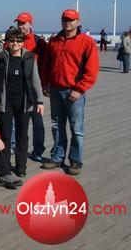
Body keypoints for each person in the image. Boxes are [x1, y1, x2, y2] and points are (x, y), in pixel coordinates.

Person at [41, 9, 99, 175]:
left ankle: (75, 161)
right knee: (57, 126)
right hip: (55, 90)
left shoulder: (86, 42)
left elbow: (91, 70)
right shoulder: (54, 41)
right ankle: (57, 157)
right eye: (65, 19)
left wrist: (79, 89)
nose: (67, 23)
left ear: (78, 22)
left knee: (76, 128)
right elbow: (46, 65)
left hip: (74, 91)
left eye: (71, 20)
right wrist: (46, 84)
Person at [0, 28, 44, 177]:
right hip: (5, 101)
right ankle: (5, 166)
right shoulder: (0, 57)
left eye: (19, 40)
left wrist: (40, 101)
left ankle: (21, 167)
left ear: (23, 42)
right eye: (12, 40)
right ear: (7, 41)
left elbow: (35, 79)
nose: (15, 43)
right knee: (6, 135)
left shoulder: (30, 57)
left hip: (24, 102)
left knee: (22, 135)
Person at [12, 12, 49, 161]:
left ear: (30, 24)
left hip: (33, 88)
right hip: (15, 87)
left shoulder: (39, 42)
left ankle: (38, 150)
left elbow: (46, 65)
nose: (20, 26)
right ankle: (13, 146)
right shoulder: (12, 40)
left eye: (23, 23)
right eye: (18, 23)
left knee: (37, 122)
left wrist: (45, 84)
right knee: (14, 120)